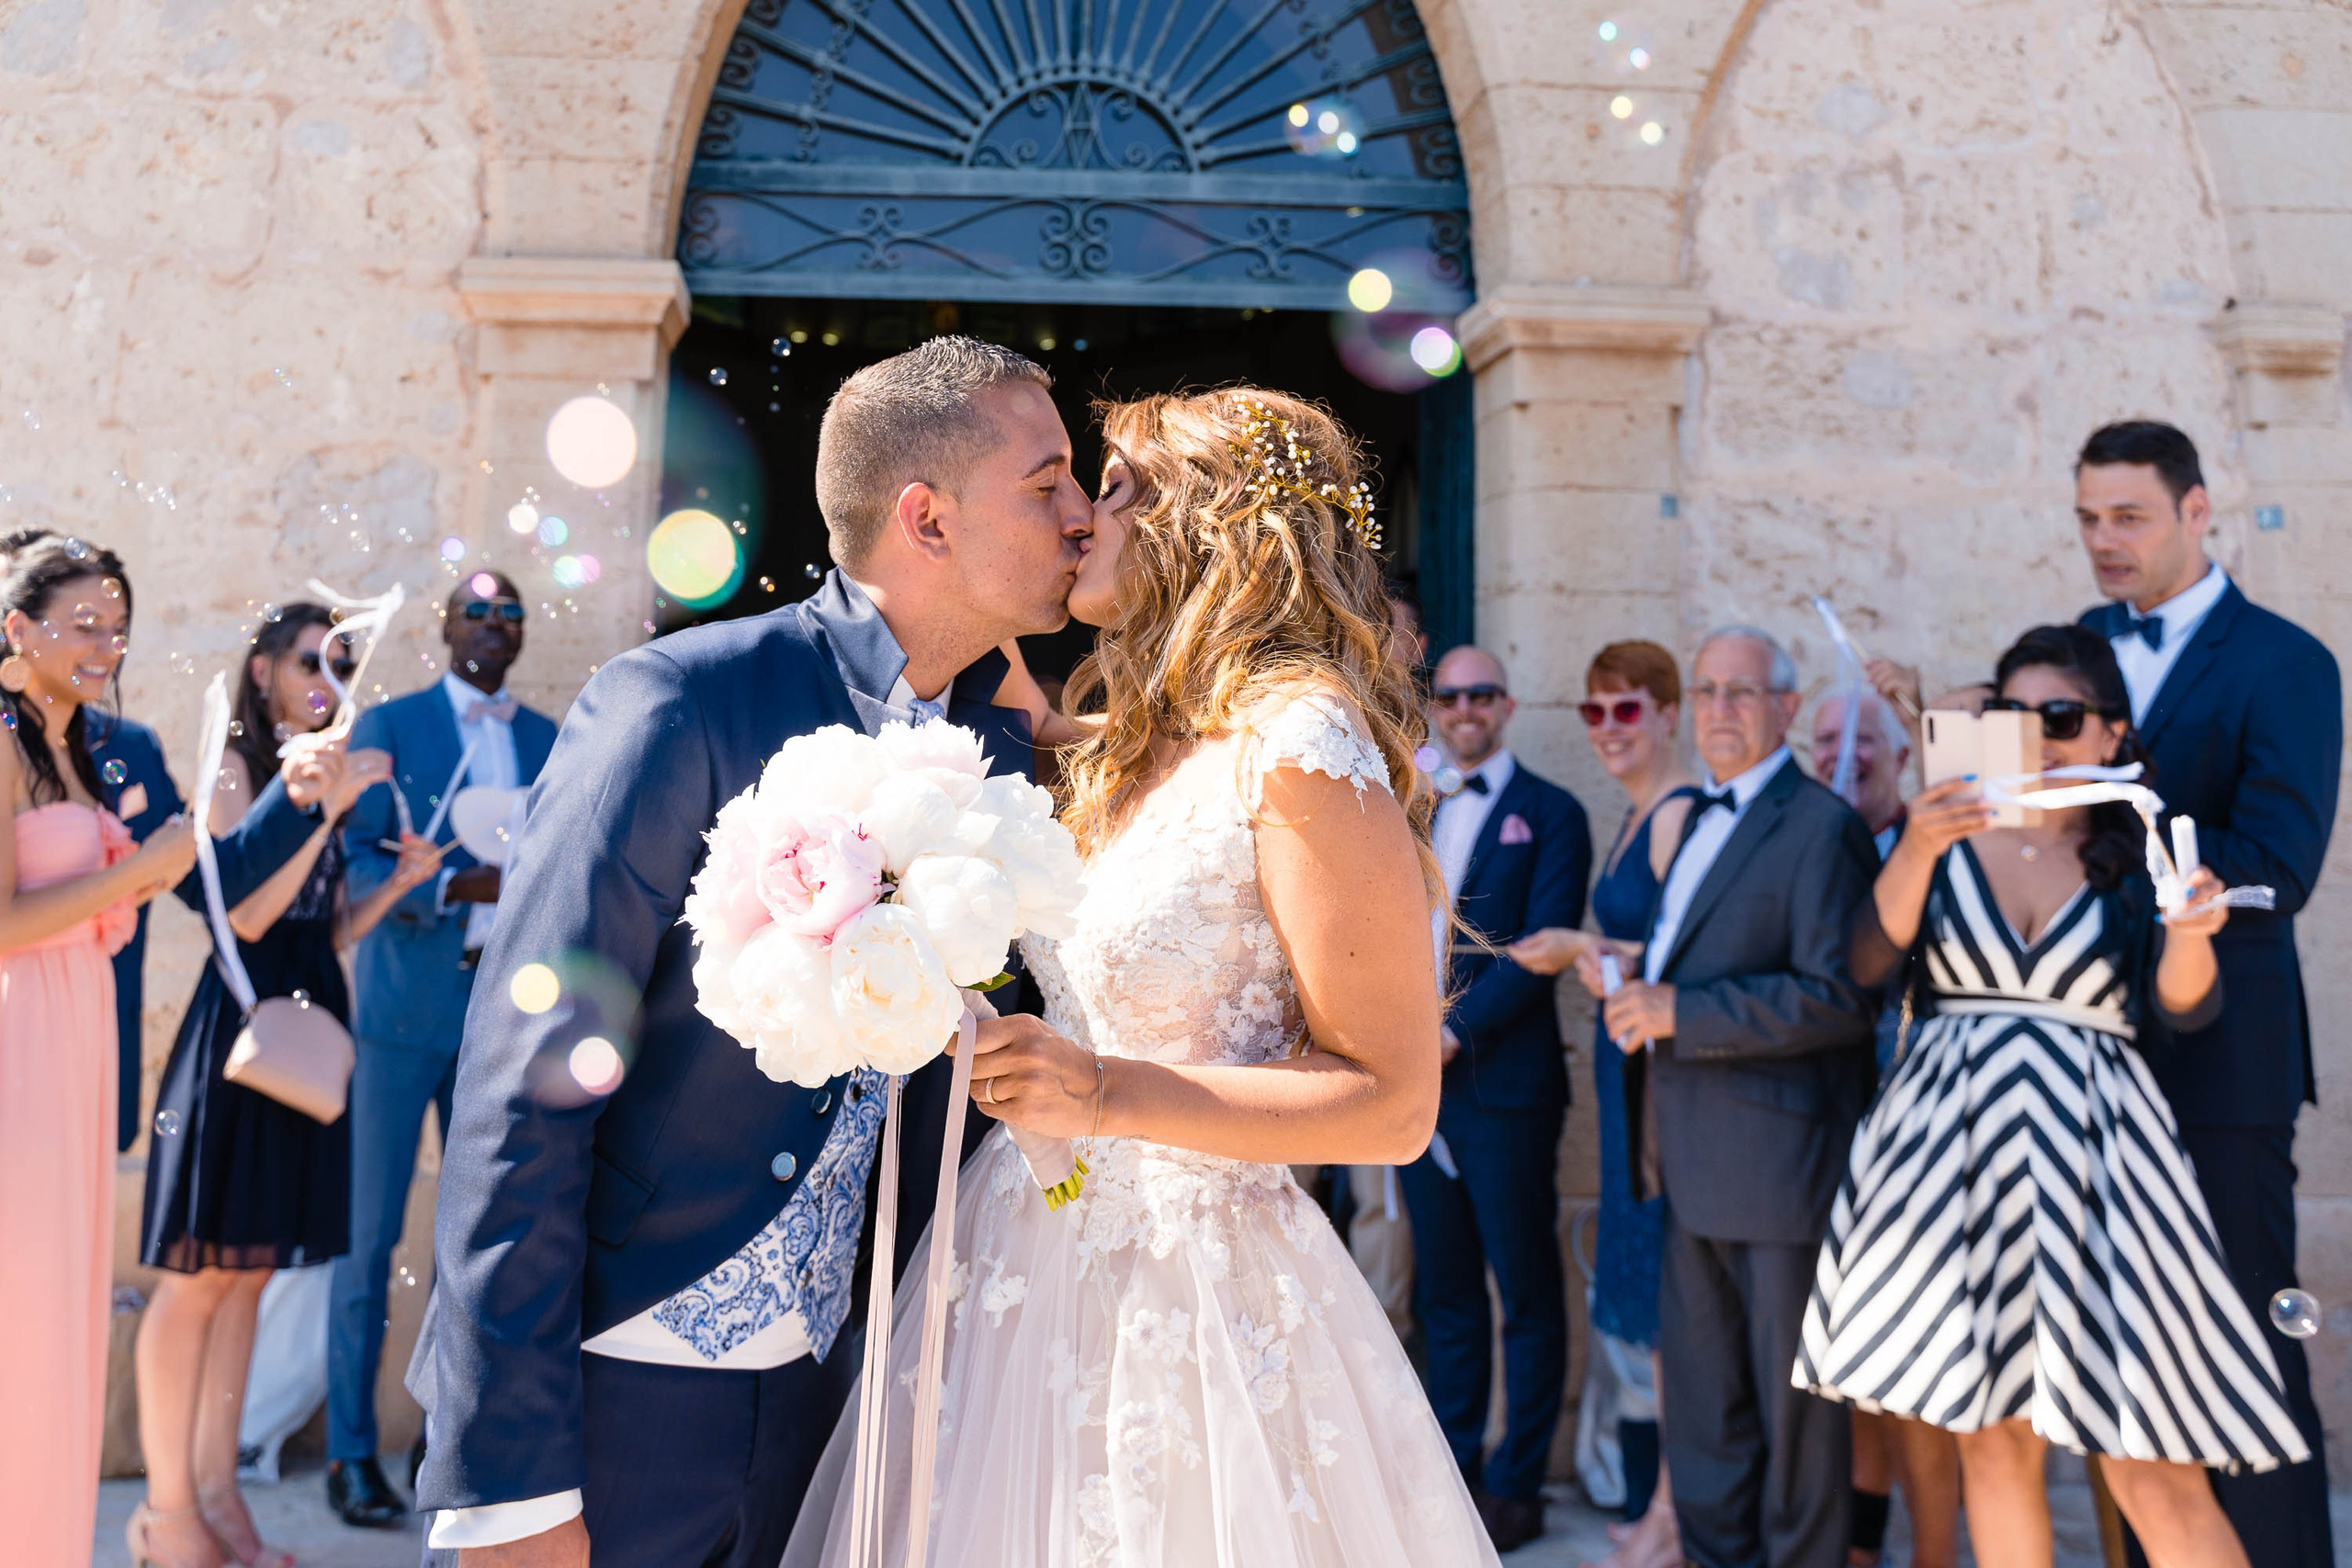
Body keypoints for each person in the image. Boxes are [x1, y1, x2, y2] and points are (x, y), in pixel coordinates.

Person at [783, 387, 1499, 1568]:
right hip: (1023, 1251)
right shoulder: (1130, 743)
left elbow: (1395, 1103)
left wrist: (1105, 1093)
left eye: (1109, 490)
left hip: (1201, 1291)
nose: (1076, 520)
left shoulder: (1301, 744)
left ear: (1205, 523)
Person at [416, 336, 1091, 1566]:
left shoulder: (1001, 747)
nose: (1083, 517)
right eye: (1047, 483)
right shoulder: (682, 698)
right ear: (926, 519)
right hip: (622, 1385)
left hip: (833, 1403)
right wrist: (507, 1481)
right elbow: (522, 1082)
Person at [1797, 623, 2310, 1568]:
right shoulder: (1950, 831)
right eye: (2013, 715)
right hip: (1949, 1155)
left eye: (2061, 718)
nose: (2034, 737)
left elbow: (2182, 1015)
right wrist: (1915, 842)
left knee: (2152, 1461)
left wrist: (2190, 931)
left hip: (2100, 1159)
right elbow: (1866, 961)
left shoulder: (2138, 843)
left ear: (2112, 735)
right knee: (1992, 1445)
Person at [2076, 421, 2338, 1568]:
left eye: (2127, 516)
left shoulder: (2286, 661)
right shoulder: (2081, 646)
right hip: (2093, 1046)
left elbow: (2281, 866)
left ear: (2196, 511)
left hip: (2228, 1060)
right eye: (2087, 518)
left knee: (2246, 1340)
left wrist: (2129, 814)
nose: (2103, 542)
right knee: (2127, 1350)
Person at [1573, 626, 1879, 1568]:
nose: (1718, 710)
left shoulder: (1820, 825)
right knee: (1706, 1424)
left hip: (1779, 1176)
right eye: (1705, 691)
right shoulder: (1697, 817)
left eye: (1741, 693)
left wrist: (1680, 1007)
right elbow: (1698, 961)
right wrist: (1629, 974)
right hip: (1680, 1164)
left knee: (1794, 1435)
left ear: (1787, 707)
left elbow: (1840, 996)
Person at [134, 603, 431, 1568]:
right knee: (199, 1278)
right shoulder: (233, 773)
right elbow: (249, 918)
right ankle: (168, 1514)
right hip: (240, 1044)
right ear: (261, 671)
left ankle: (220, 1501)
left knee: (251, 1278)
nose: (326, 681)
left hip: (304, 1038)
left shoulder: (320, 775)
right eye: (310, 662)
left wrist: (389, 888)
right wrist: (322, 809)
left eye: (343, 667)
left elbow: (319, 929)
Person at [326, 570, 558, 1528]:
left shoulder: (550, 737)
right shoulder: (389, 727)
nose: (495, 626)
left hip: (500, 1022)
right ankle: (348, 1456)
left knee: (483, 1237)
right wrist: (463, 889)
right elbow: (357, 861)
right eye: (479, 611)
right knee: (367, 1238)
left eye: (511, 613)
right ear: (445, 627)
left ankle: (445, 1438)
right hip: (397, 1018)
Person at [0, 532, 200, 1568]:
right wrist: (140, 869)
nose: (104, 646)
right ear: (15, 629)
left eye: (117, 629)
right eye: (82, 625)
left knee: (62, 1314)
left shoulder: (73, 747)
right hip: (19, 1042)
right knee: (19, 1308)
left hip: (78, 1035)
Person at [1387, 644, 1589, 1551]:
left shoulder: (1552, 812)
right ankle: (1456, 1469)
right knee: (1447, 1292)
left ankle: (1518, 1482)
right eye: (1450, 695)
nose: (1463, 708)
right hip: (1415, 1087)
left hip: (1501, 1088)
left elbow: (1538, 949)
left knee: (1525, 1288)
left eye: (1480, 695)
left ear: (1504, 705)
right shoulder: (1406, 807)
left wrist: (1450, 1034)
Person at [1510, 638, 1694, 1568]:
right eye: (1595, 713)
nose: (1610, 731)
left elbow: (1683, 964)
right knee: (1643, 1295)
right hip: (1629, 1077)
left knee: (1669, 1305)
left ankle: (1670, 1509)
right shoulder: (1630, 819)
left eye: (1627, 711)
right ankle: (1661, 1498)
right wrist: (1586, 952)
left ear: (1668, 713)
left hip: (1667, 1085)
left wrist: (1574, 946)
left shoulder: (1675, 815)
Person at [1802, 686, 1962, 1568]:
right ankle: (1864, 1549)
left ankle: (1935, 1552)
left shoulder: (1940, 846)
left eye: (1868, 739)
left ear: (1904, 756)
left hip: (1920, 1144)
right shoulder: (1806, 836)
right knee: (1858, 1375)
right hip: (1821, 1136)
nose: (1847, 751)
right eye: (1829, 738)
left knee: (1920, 1387)